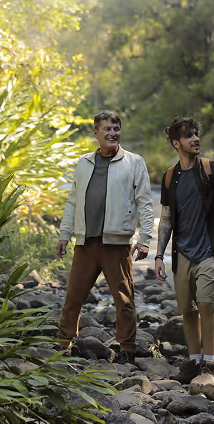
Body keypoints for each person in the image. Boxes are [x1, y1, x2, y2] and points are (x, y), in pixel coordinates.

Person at [57, 110, 154, 365]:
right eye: (107, 129)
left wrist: (145, 238)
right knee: (73, 296)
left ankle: (127, 348)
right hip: (86, 241)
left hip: (117, 243)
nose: (112, 133)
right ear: (96, 133)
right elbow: (73, 201)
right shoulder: (84, 163)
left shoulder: (134, 162)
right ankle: (63, 344)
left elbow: (145, 202)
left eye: (116, 128)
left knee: (124, 299)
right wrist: (64, 234)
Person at [154, 116, 214, 382]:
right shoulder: (169, 177)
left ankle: (209, 364)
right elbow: (166, 218)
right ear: (177, 143)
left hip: (210, 253)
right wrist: (159, 255)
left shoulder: (213, 170)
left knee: (206, 305)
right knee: (186, 310)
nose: (196, 139)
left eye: (197, 134)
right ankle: (194, 360)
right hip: (182, 254)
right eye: (189, 136)